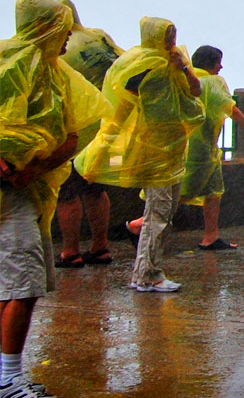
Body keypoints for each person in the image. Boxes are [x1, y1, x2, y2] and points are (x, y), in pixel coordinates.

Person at [0, 0, 108, 397]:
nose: (67, 39)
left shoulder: (58, 74)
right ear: (45, 29)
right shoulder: (11, 65)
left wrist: (35, 168)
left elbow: (72, 136)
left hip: (30, 191)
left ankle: (7, 373)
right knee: (21, 286)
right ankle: (8, 380)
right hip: (11, 195)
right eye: (62, 31)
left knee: (19, 286)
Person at [76, 17, 203, 293]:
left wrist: (183, 68)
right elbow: (123, 102)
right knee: (157, 213)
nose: (171, 41)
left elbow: (195, 92)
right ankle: (146, 274)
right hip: (153, 150)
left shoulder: (176, 63)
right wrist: (107, 145)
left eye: (173, 35)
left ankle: (149, 270)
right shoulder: (141, 66)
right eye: (167, 36)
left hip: (173, 147)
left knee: (165, 213)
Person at [161, 45, 244, 250]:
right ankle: (139, 224)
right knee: (185, 192)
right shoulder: (213, 82)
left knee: (214, 191)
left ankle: (211, 236)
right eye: (218, 62)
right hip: (201, 148)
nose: (221, 67)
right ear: (209, 64)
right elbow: (230, 108)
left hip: (198, 145)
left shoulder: (183, 79)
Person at [53, 0, 122, 269]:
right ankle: (100, 246)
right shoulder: (100, 37)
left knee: (67, 194)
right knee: (95, 191)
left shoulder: (62, 46)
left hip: (74, 134)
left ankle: (70, 251)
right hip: (103, 132)